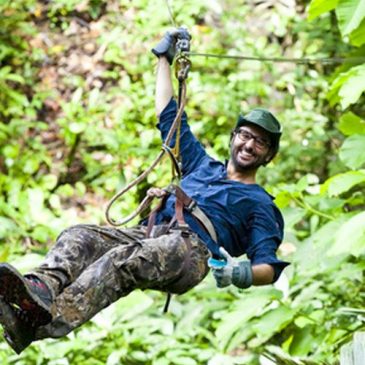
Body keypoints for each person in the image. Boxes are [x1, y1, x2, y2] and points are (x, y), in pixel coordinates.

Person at [0, 28, 288, 354]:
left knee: (125, 261)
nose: (249, 144)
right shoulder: (201, 165)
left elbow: (270, 266)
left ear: (269, 155)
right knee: (80, 236)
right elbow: (169, 116)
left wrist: (242, 273)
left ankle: (47, 320)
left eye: (260, 142)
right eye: (245, 135)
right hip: (150, 233)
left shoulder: (260, 204)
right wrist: (164, 59)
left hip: (191, 252)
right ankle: (38, 289)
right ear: (234, 137)